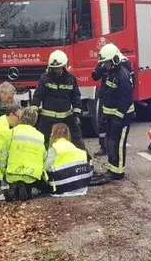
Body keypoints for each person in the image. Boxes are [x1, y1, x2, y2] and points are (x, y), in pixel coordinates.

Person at [32, 50, 89, 159]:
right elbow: (38, 95)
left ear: (64, 65)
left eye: (59, 67)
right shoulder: (45, 78)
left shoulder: (71, 79)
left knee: (76, 140)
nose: (57, 69)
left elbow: (76, 97)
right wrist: (34, 110)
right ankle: (43, 162)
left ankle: (85, 162)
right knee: (44, 142)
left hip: (66, 117)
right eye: (55, 68)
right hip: (48, 118)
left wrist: (77, 114)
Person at [95, 43, 135, 180]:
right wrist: (105, 115)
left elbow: (125, 99)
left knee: (118, 144)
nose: (105, 65)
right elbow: (108, 95)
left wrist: (118, 117)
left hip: (122, 118)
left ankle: (119, 171)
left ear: (114, 60)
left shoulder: (122, 75)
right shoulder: (111, 74)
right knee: (111, 143)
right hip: (112, 116)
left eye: (106, 62)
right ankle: (112, 169)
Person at [3, 107, 47, 202]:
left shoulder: (12, 132)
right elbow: (44, 157)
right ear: (35, 121)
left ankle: (14, 189)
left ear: (21, 118)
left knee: (14, 183)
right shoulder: (40, 136)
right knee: (30, 189)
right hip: (31, 175)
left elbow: (3, 153)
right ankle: (25, 189)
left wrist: (2, 170)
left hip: (12, 173)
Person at [44, 124, 93, 196]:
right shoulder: (74, 147)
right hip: (82, 186)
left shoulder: (54, 148)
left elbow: (45, 167)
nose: (50, 134)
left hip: (61, 188)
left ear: (54, 134)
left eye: (51, 132)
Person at [0, 104, 24, 192]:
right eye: (19, 118)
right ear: (11, 115)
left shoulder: (1, 122)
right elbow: (6, 151)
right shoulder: (2, 129)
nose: (19, 121)